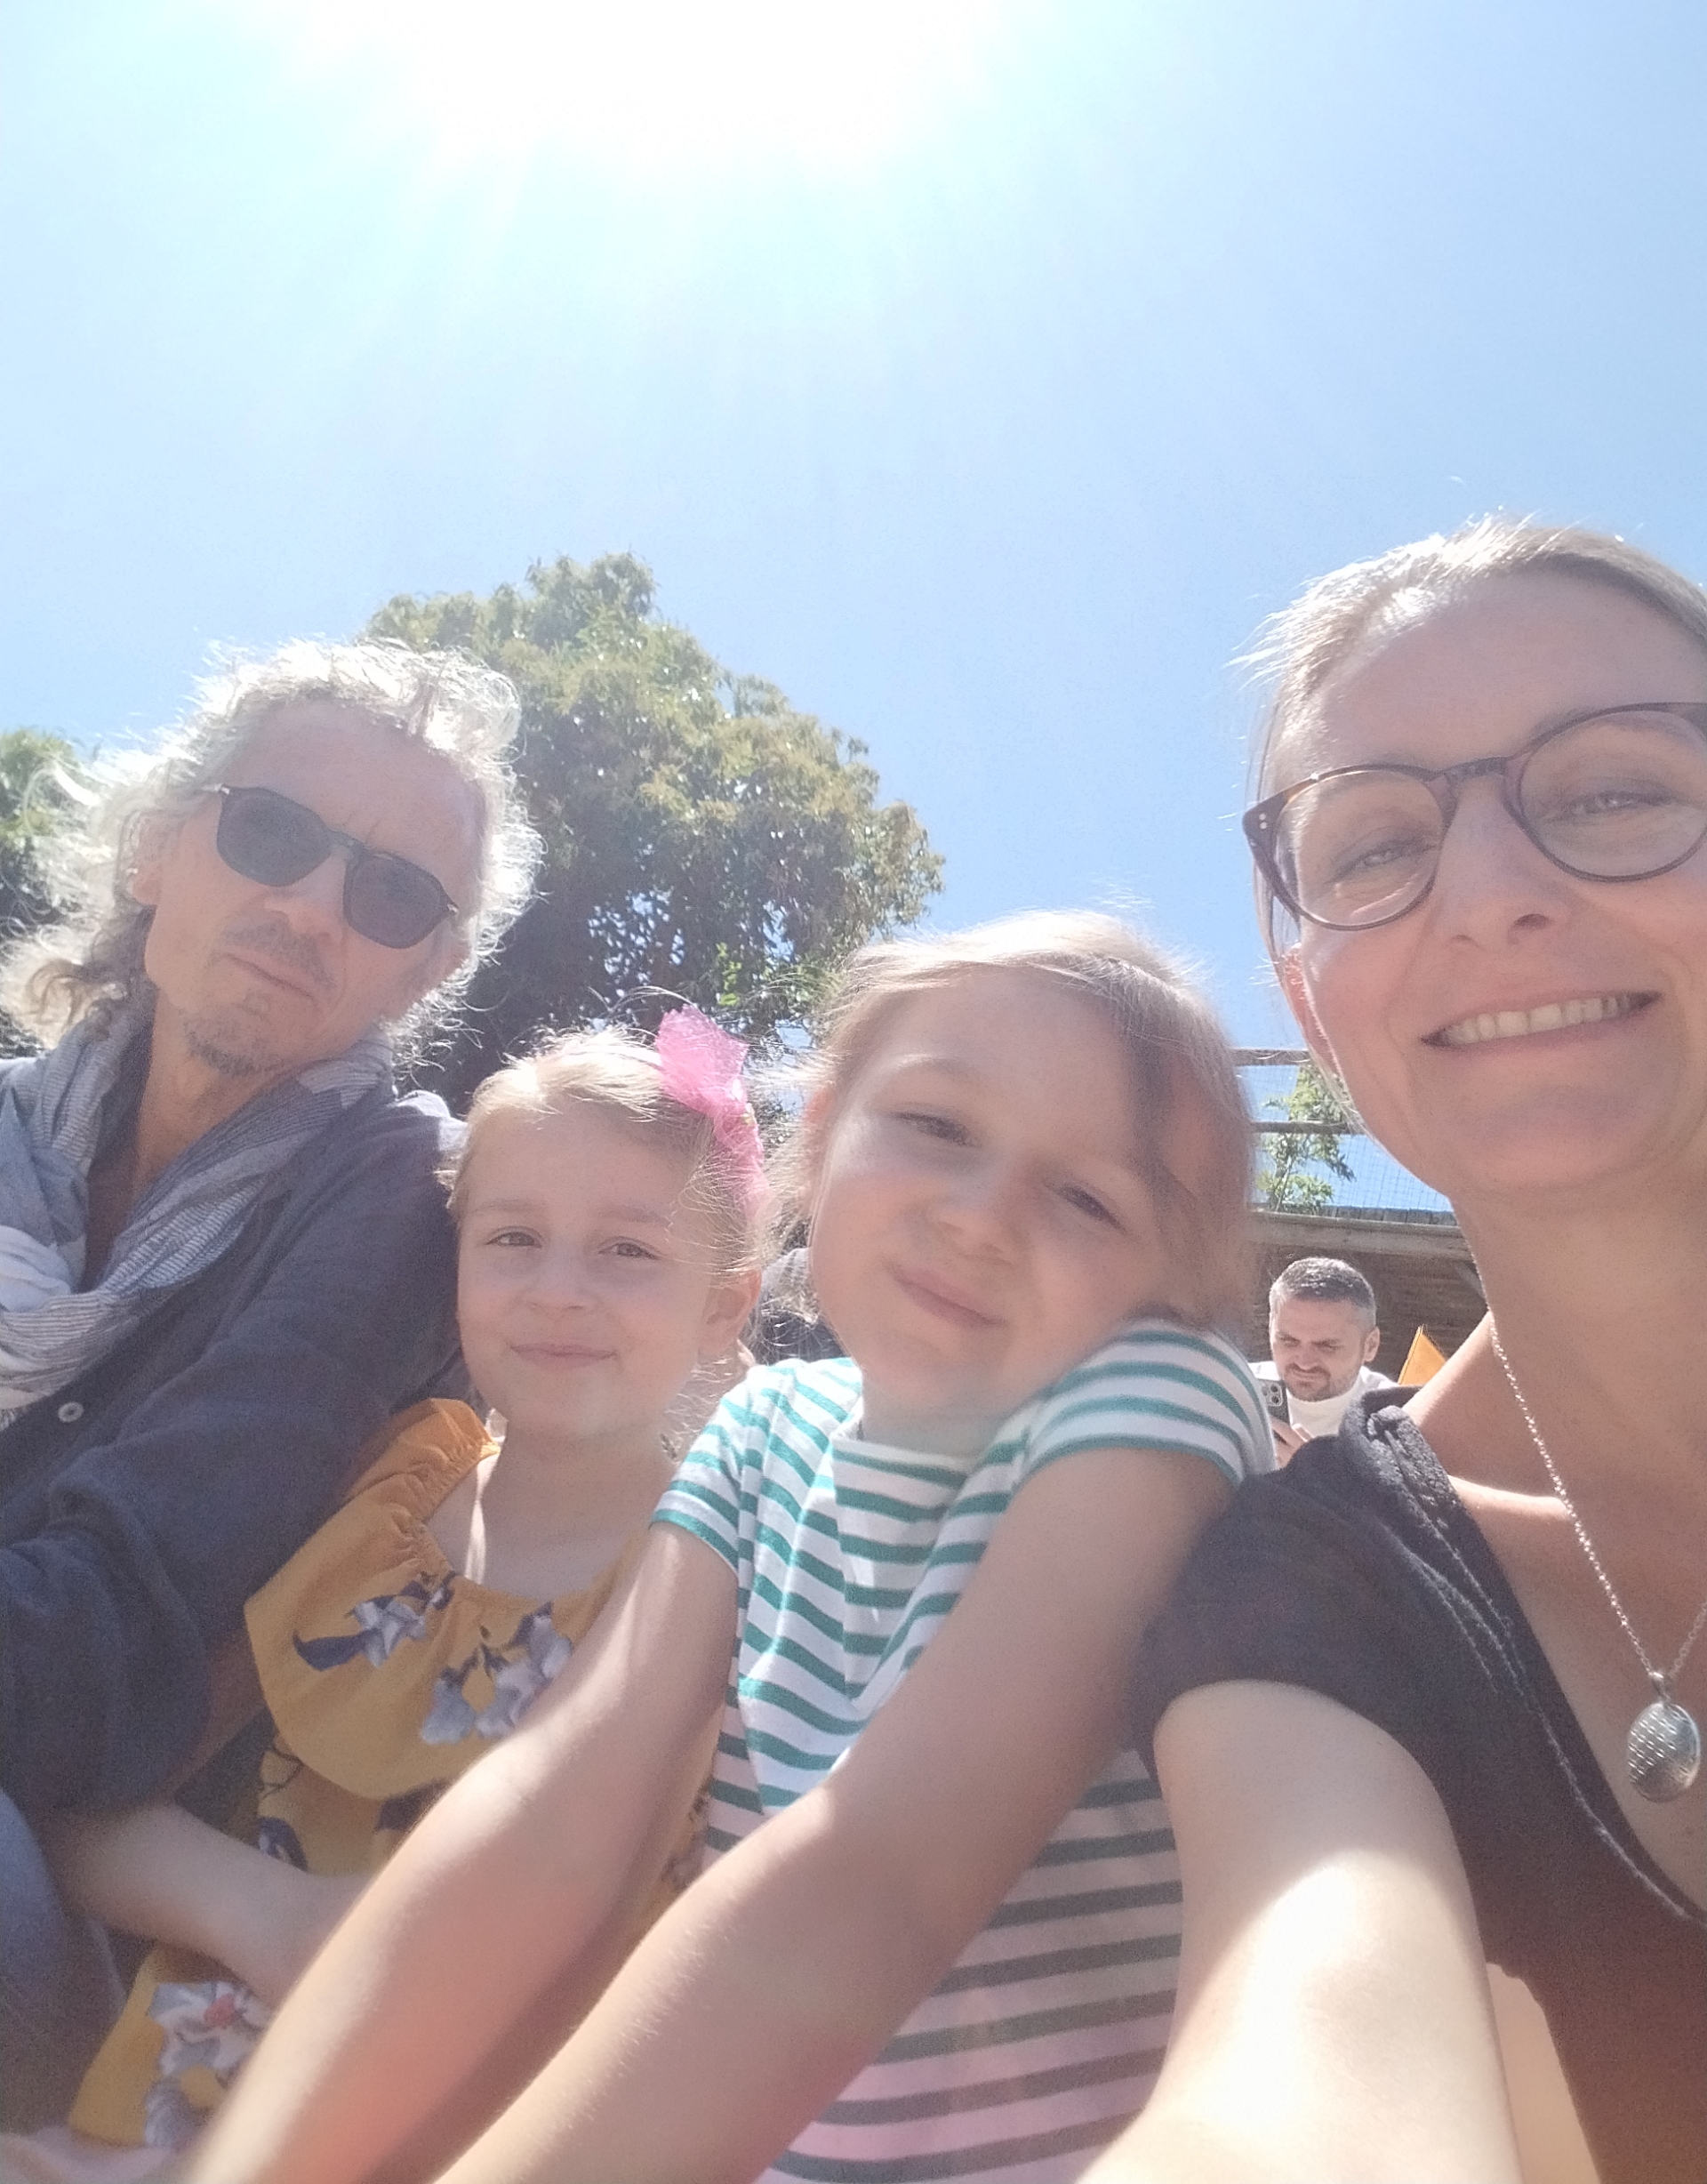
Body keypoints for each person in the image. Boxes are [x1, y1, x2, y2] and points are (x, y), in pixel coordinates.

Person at [187, 910, 1274, 2184]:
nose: (983, 1217)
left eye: (1088, 1197)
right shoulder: (765, 1431)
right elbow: (556, 1805)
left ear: (1167, 1285)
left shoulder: (1156, 1399)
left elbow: (891, 1872)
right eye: (937, 1125)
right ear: (824, 1132)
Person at [1082, 519, 1707, 2184]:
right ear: (1312, 998)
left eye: (1616, 790)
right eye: (1374, 844)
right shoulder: (1306, 1592)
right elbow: (1300, 2069)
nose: (1492, 896)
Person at [0, 1015, 765, 2180]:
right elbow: (97, 1802)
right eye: (512, 1237)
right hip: (164, 2110)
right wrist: (268, 1915)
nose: (557, 1290)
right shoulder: (385, 1497)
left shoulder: (715, 1593)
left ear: (724, 1305)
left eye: (628, 1250)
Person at [0, 642, 537, 2127]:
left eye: (393, 895)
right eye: (274, 831)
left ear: (428, 967)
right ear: (159, 849)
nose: (312, 907)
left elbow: (119, 1638)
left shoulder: (390, 1198)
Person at [1252, 1255, 1392, 1458]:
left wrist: (1312, 1473)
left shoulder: (1398, 1417)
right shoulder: (1232, 1391)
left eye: (1327, 1346)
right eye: (1288, 1341)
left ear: (1370, 1346)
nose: (1304, 1363)